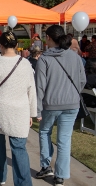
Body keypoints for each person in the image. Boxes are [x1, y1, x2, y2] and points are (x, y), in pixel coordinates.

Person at [0, 31, 36, 186]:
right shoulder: (26, 63)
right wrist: (32, 113)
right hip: (20, 111)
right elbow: (32, 90)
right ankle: (24, 183)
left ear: (1, 46)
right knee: (19, 149)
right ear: (16, 45)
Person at [35, 25, 86, 186]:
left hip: (51, 104)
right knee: (64, 139)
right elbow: (82, 80)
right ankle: (60, 175)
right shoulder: (75, 57)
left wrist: (37, 109)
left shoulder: (44, 59)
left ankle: (46, 165)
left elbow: (40, 86)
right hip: (71, 103)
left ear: (49, 38)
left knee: (44, 132)